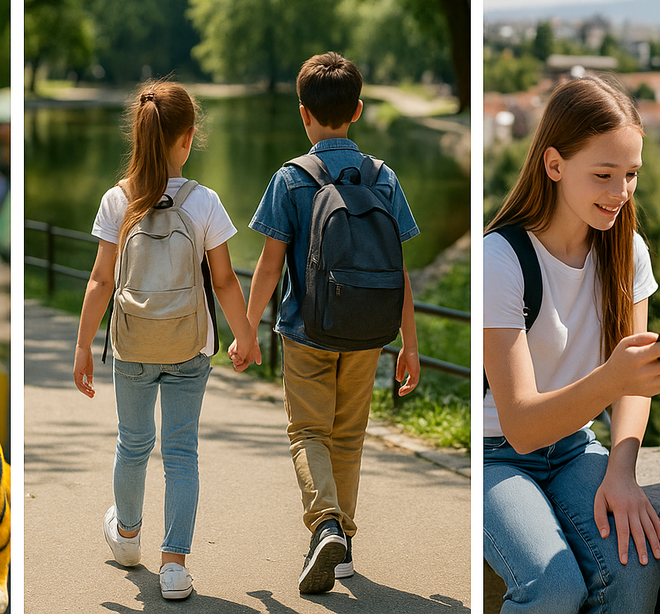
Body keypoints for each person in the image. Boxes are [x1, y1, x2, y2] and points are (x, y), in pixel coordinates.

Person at [482, 75, 660, 613]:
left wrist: (623, 469)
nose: (620, 192)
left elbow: (633, 390)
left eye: (631, 174)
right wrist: (616, 376)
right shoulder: (501, 260)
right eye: (603, 174)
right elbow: (520, 423)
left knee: (636, 572)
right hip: (496, 456)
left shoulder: (628, 253)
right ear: (555, 165)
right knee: (553, 587)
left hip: (575, 449)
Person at [233, 51, 422, 596]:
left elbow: (270, 264)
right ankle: (343, 548)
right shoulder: (383, 178)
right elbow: (401, 271)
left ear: (303, 114)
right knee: (349, 437)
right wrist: (410, 344)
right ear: (358, 110)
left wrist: (247, 332)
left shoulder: (291, 179)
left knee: (308, 432)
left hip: (307, 330)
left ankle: (327, 526)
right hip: (368, 335)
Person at [70, 79, 258, 601]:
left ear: (139, 135)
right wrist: (245, 335)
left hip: (131, 344)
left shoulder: (118, 200)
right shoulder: (205, 203)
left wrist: (84, 344)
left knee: (132, 445)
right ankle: (174, 565)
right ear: (188, 137)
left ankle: (127, 536)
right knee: (180, 452)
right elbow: (223, 280)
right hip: (188, 346)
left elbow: (100, 280)